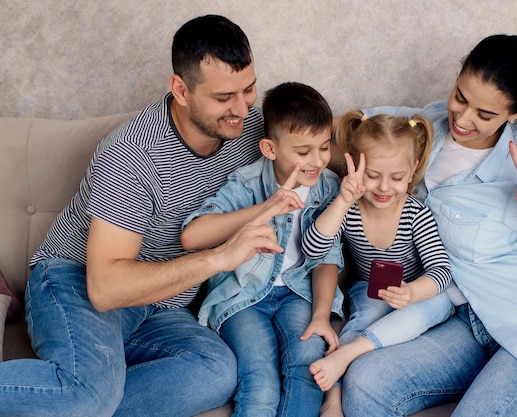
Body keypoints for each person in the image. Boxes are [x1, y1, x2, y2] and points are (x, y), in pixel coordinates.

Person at [0, 14, 285, 417]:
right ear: (180, 90)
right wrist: (220, 258)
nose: (242, 108)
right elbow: (106, 289)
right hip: (78, 281)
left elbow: (318, 140)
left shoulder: (251, 129)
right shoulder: (132, 155)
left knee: (217, 372)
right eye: (224, 98)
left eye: (250, 89)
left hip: (163, 303)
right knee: (88, 394)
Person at [340, 34, 517, 417]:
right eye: (461, 97)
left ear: (515, 113)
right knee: (366, 383)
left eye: (484, 115)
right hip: (468, 321)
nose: (463, 119)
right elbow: (356, 125)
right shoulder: (428, 124)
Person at [180, 81, 345, 417]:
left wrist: (321, 316)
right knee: (261, 381)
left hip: (300, 294)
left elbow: (327, 257)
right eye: (303, 152)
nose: (316, 161)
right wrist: (266, 208)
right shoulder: (247, 182)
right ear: (270, 149)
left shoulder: (328, 186)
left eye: (324, 147)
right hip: (242, 298)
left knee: (306, 368)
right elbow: (193, 235)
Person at [302, 112, 454, 415]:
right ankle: (334, 395)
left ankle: (360, 350)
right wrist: (343, 200)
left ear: (411, 173)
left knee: (440, 304)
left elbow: (441, 270)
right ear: (354, 168)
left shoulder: (415, 214)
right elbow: (313, 248)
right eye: (372, 175)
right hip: (369, 289)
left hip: (412, 292)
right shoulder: (350, 209)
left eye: (397, 178)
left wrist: (411, 292)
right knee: (362, 317)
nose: (384, 188)